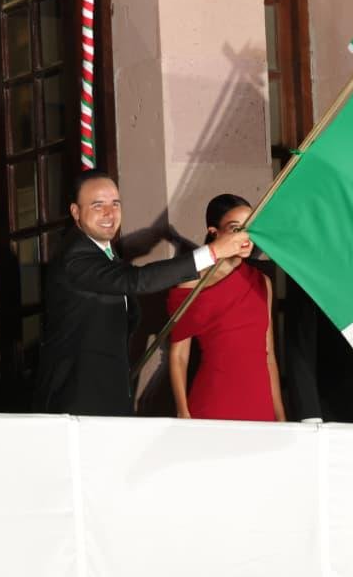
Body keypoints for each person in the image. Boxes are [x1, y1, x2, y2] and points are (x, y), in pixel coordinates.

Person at [33, 170, 252, 416]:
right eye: (98, 205)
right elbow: (137, 280)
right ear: (76, 212)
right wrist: (211, 252)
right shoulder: (75, 257)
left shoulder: (104, 252)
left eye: (115, 204)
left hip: (109, 395)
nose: (109, 213)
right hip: (77, 402)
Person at [168, 194, 285, 422]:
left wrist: (280, 415)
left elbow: (268, 356)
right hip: (214, 401)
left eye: (250, 228)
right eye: (235, 229)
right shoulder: (191, 284)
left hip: (260, 405)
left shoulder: (263, 282)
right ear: (214, 231)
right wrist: (183, 414)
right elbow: (179, 356)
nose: (245, 238)